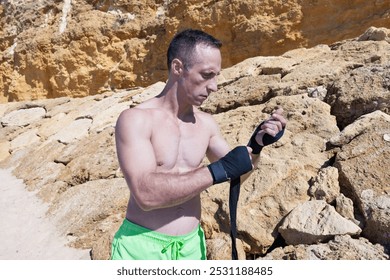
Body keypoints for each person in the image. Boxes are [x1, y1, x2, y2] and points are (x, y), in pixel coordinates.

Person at [110, 29, 287, 260]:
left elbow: (237, 173)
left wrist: (257, 145)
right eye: (206, 75)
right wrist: (215, 172)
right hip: (142, 247)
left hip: (192, 247)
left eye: (216, 76)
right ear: (177, 68)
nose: (214, 86)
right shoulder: (136, 119)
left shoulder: (205, 124)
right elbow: (145, 195)